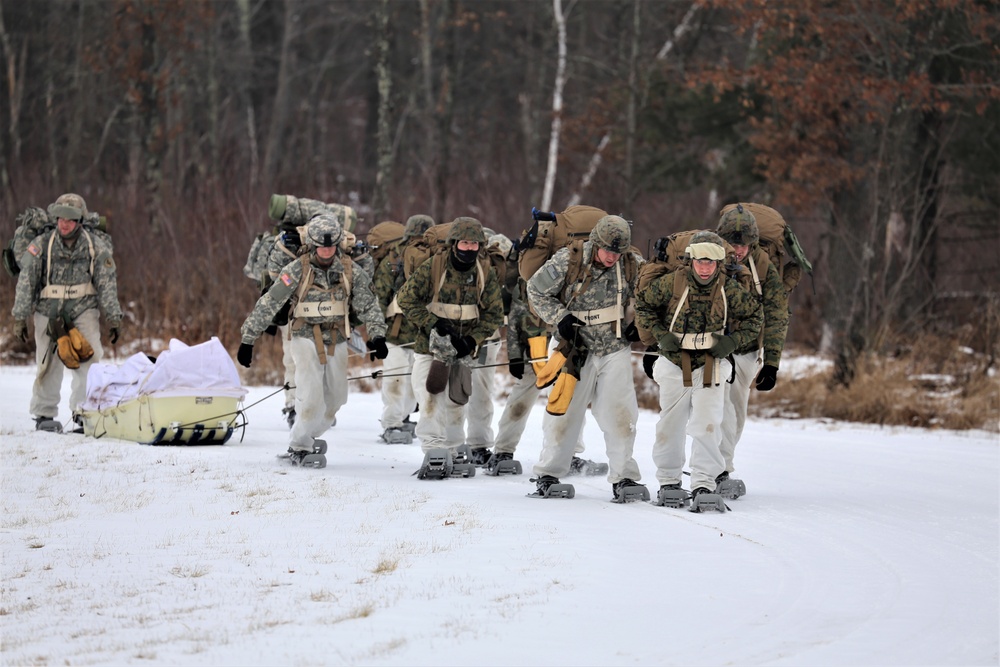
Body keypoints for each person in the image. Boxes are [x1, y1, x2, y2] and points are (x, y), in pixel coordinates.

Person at [237, 214, 389, 466]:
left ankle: (307, 435)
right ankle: (299, 444)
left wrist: (378, 335)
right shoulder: (297, 269)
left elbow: (368, 305)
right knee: (310, 395)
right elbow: (269, 302)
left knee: (337, 398)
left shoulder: (350, 269)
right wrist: (248, 339)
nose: (326, 251)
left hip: (337, 337)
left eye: (331, 245)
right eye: (321, 246)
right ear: (314, 244)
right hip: (304, 336)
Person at [634, 230, 763, 510]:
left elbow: (755, 317)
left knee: (708, 423)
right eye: (700, 261)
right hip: (673, 360)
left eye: (711, 262)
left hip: (712, 362)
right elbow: (643, 305)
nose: (705, 268)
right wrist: (660, 335)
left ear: (718, 263)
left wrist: (732, 342)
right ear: (691, 259)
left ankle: (704, 482)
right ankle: (668, 481)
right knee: (671, 423)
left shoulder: (729, 288)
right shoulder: (672, 283)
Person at [525, 215, 646, 501]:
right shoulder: (569, 259)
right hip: (574, 345)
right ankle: (549, 473)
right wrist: (559, 317)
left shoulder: (631, 265)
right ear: (596, 243)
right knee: (564, 411)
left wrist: (639, 323)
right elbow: (536, 290)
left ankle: (625, 478)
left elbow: (651, 297)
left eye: (618, 252)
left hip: (614, 346)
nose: (612, 257)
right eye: (608, 250)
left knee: (621, 415)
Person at [395, 217, 504, 476]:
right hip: (430, 348)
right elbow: (406, 299)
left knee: (457, 399)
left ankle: (454, 448)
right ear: (454, 244)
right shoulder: (435, 266)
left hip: (463, 350)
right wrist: (433, 324)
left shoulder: (484, 272)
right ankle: (433, 449)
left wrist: (472, 340)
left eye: (475, 244)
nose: (469, 249)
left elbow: (494, 315)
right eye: (465, 243)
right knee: (431, 395)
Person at [12, 193, 123, 433]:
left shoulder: (95, 245)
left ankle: (84, 411)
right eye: (61, 218)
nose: (64, 223)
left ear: (80, 221)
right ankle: (44, 414)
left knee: (89, 360)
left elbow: (106, 282)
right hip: (47, 308)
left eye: (71, 220)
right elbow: (26, 281)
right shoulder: (42, 244)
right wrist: (20, 317)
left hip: (84, 308)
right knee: (47, 362)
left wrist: (114, 317)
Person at [260, 194, 361, 428]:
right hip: (294, 314)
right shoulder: (291, 245)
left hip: (329, 316)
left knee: (317, 364)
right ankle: (294, 405)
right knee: (296, 361)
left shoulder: (339, 247)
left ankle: (316, 408)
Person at [715, 205, 789, 497]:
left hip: (746, 351)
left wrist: (771, 363)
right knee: (718, 410)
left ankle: (721, 465)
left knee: (736, 412)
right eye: (733, 244)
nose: (738, 250)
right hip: (714, 348)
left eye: (744, 244)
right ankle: (717, 470)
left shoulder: (763, 265)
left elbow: (777, 314)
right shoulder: (707, 256)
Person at [371, 214, 434, 444]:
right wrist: (375, 332)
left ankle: (405, 416)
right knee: (396, 377)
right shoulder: (393, 258)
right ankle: (391, 423)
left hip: (422, 331)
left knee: (414, 379)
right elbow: (378, 297)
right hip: (394, 331)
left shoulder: (436, 257)